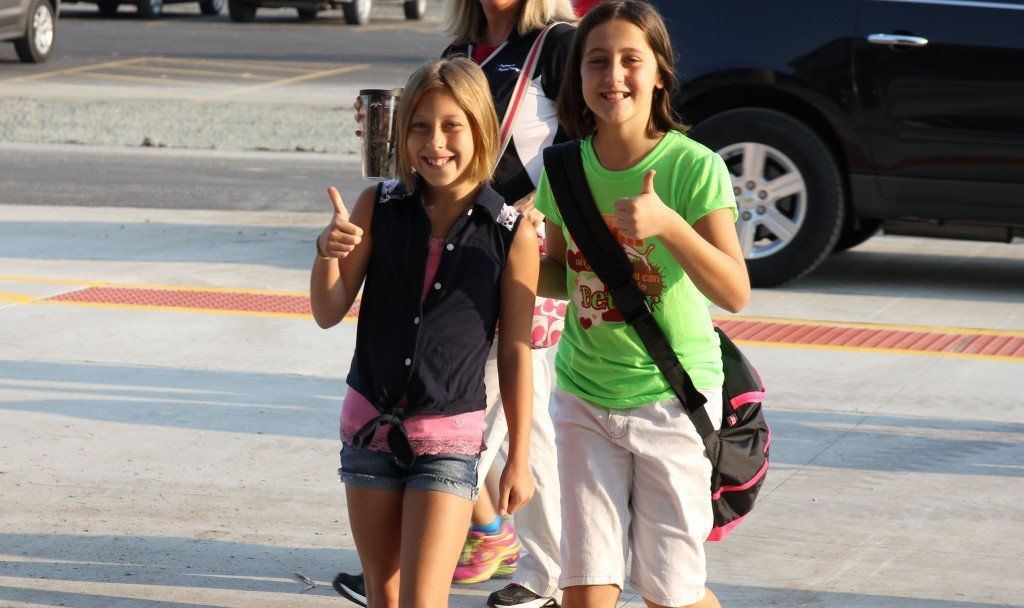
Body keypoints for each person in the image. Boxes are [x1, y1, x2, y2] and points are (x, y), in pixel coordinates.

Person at [344, 2, 577, 608]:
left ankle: (540, 566)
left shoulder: (556, 45)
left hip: (511, 244)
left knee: (507, 415)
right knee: (480, 415)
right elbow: (426, 146)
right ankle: (492, 542)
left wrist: (534, 216)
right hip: (445, 250)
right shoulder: (459, 54)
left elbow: (585, 142)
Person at [532, 2, 751, 607]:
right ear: (577, 78)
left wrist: (669, 226)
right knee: (584, 591)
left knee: (670, 596)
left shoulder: (693, 166)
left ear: (660, 73)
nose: (613, 77)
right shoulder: (563, 169)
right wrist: (515, 255)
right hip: (582, 397)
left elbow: (734, 291)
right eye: (596, 62)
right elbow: (562, 277)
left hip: (671, 402)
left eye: (632, 60)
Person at [312, 57, 538, 608]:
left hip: (449, 439)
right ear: (401, 133)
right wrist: (325, 253)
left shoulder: (510, 232)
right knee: (383, 597)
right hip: (369, 428)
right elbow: (327, 310)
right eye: (419, 125)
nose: (434, 142)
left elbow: (514, 349)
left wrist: (519, 456)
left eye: (451, 125)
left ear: (481, 129)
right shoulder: (378, 207)